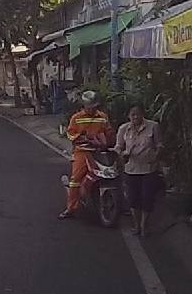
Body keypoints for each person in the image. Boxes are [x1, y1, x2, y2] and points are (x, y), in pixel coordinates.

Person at [59, 91, 115, 220]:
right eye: (90, 107)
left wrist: (109, 138)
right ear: (84, 105)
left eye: (95, 106)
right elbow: (70, 133)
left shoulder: (103, 117)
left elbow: (108, 131)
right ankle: (71, 208)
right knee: (75, 180)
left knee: (113, 174)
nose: (93, 109)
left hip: (100, 151)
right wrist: (82, 137)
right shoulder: (76, 118)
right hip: (82, 151)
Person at [115, 104, 162, 237]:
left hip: (148, 169)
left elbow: (159, 144)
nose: (135, 117)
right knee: (132, 198)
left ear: (143, 114)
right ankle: (136, 225)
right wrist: (122, 154)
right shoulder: (124, 129)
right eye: (133, 114)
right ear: (128, 116)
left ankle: (144, 225)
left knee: (147, 198)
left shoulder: (153, 126)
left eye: (138, 114)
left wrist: (156, 155)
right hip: (131, 169)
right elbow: (118, 146)